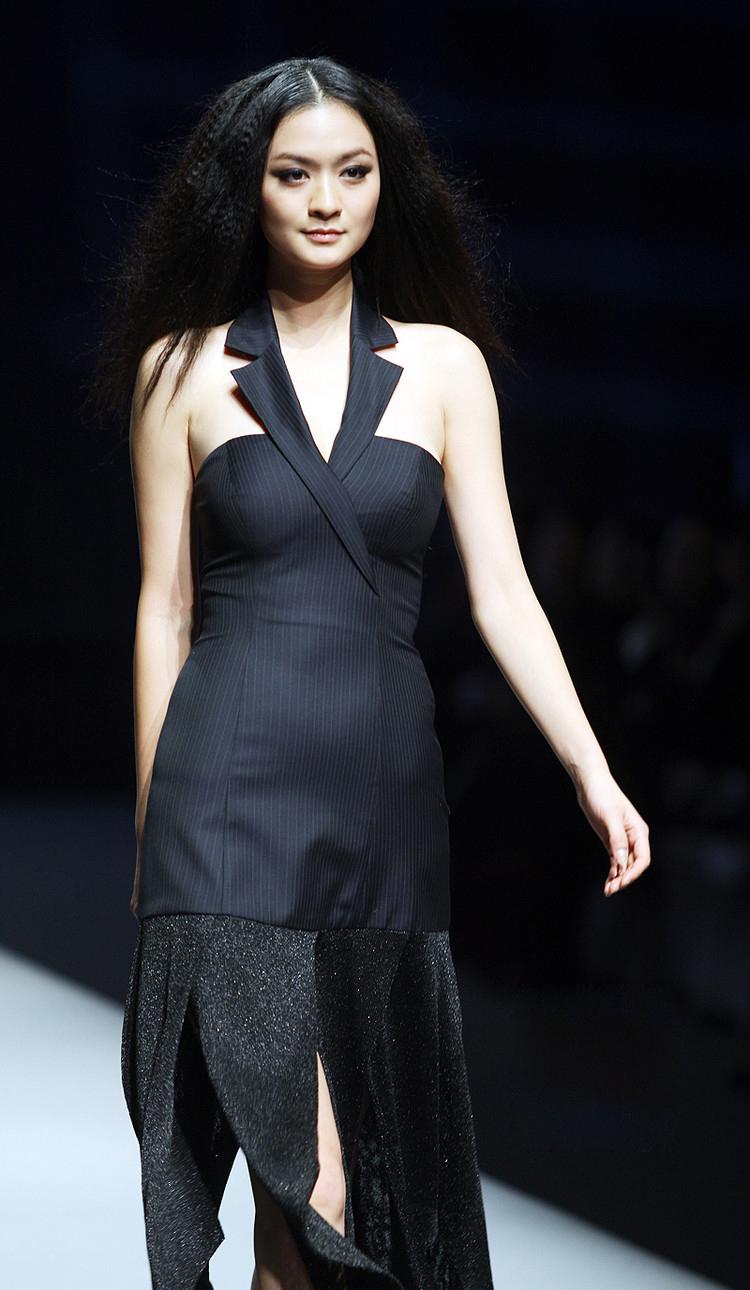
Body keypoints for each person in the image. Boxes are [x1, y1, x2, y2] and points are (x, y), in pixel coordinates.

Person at [95, 56, 651, 1289]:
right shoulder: (181, 370)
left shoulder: (447, 369)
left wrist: (592, 771)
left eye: (352, 172)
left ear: (386, 185)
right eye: (294, 174)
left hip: (383, 802)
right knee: (308, 1178)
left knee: (372, 1191)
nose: (326, 200)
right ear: (247, 190)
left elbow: (503, 592)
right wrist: (149, 833)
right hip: (225, 802)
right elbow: (163, 609)